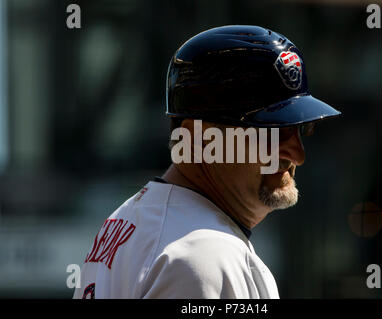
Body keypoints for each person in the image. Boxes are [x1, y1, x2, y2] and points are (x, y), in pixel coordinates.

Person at [73, 25, 341, 299]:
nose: (298, 154)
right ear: (199, 139)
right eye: (273, 132)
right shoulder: (203, 255)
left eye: (300, 129)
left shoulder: (129, 221)